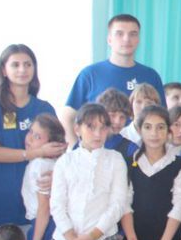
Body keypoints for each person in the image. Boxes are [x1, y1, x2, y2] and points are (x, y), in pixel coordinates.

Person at [0, 45, 61, 229]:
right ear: (3, 70)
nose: (22, 70)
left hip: (39, 206)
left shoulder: (44, 108)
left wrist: (56, 175)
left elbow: (59, 153)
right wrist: (37, 152)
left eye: (27, 64)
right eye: (15, 65)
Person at [45, 103, 129, 240]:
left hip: (103, 237)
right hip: (66, 239)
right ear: (77, 129)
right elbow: (57, 205)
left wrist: (91, 237)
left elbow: (118, 204)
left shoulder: (115, 159)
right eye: (91, 127)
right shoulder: (65, 161)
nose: (98, 134)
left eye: (103, 127)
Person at [62, 14, 165, 144]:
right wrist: (75, 149)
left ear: (138, 39)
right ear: (109, 39)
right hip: (99, 152)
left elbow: (162, 118)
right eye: (119, 34)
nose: (126, 39)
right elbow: (68, 117)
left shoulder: (151, 76)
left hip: (141, 152)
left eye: (133, 34)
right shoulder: (90, 74)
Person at [121, 105, 181, 240]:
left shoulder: (179, 165)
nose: (154, 133)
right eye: (148, 127)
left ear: (168, 131)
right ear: (139, 130)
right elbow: (124, 204)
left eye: (160, 127)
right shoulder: (128, 163)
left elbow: (180, 205)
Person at [22, 113, 66, 240]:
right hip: (45, 223)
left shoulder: (41, 165)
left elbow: (44, 208)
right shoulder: (45, 163)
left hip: (45, 225)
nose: (30, 138)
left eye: (37, 136)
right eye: (30, 132)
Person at [96, 88, 137, 158]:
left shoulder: (131, 149)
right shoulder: (85, 143)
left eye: (122, 117)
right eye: (112, 115)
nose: (117, 121)